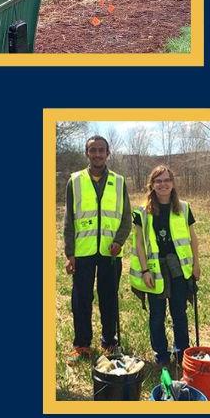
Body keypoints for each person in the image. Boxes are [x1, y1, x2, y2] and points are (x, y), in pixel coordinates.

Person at [63, 136, 132, 358]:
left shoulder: (119, 182)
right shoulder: (74, 181)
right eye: (93, 150)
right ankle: (82, 344)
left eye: (101, 150)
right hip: (83, 252)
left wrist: (119, 241)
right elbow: (68, 220)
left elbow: (126, 217)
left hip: (110, 252)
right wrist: (69, 253)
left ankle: (109, 341)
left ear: (108, 153)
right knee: (81, 298)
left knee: (109, 297)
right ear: (87, 153)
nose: (97, 154)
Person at [130, 166, 201, 366]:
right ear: (151, 185)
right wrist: (145, 271)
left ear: (173, 183)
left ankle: (181, 353)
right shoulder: (141, 212)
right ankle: (161, 353)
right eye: (158, 181)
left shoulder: (184, 208)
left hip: (179, 268)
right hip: (155, 270)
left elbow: (193, 239)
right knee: (157, 314)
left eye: (166, 180)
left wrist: (196, 264)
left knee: (179, 312)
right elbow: (139, 244)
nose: (163, 184)